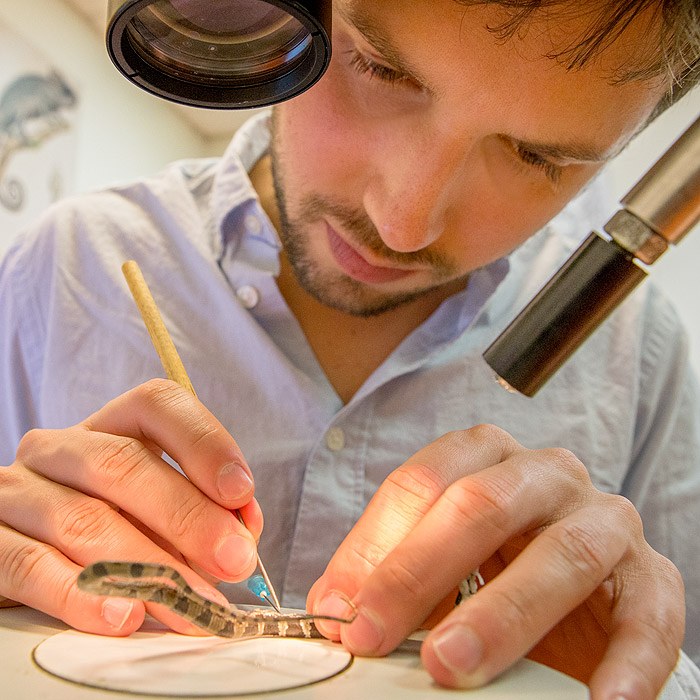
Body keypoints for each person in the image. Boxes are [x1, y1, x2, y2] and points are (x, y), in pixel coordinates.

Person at [1, 1, 699, 698]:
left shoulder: (639, 354)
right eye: (379, 67)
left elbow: (674, 661)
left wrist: (625, 676)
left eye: (539, 155)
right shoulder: (64, 269)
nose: (401, 224)